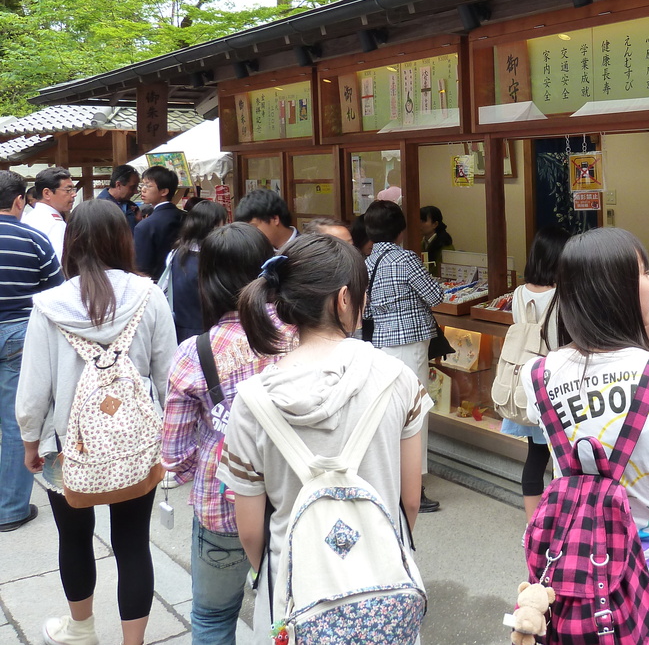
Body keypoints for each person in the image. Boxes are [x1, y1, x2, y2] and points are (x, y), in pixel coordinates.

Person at [215, 234, 431, 640]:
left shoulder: (252, 400)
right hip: (384, 590)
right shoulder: (399, 380)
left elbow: (249, 531)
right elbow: (411, 500)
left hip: (292, 601)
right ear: (345, 299)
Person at [519, 227, 649, 645]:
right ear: (616, 291)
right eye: (644, 273)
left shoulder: (537, 377)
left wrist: (646, 333)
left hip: (578, 592)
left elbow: (603, 371)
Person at [15, 199, 175, 645]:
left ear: (73, 244)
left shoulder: (48, 306)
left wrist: (30, 440)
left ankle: (81, 631)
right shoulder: (150, 295)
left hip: (67, 445)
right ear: (123, 240)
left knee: (74, 538)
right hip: (137, 444)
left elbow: (34, 388)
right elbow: (167, 374)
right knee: (132, 544)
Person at [161, 222, 283, 645]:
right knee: (297, 613)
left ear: (206, 278)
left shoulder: (195, 353)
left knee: (213, 617)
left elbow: (174, 454)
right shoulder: (300, 335)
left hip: (221, 504)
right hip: (297, 497)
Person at [363, 199, 443, 513]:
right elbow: (434, 295)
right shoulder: (406, 259)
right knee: (415, 413)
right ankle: (413, 486)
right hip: (410, 344)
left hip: (381, 343)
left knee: (389, 413)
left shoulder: (367, 262)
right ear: (400, 230)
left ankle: (388, 479)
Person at [0, 170, 63, 534]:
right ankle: (9, 508)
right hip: (18, 335)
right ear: (18, 201)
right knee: (15, 421)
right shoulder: (34, 238)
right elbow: (56, 294)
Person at [500, 224, 570, 520]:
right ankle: (559, 521)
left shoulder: (518, 293)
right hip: (556, 382)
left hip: (526, 383)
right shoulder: (563, 296)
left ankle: (533, 523)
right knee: (561, 458)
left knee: (535, 456)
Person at [167, 200, 229, 342]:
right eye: (223, 223)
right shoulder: (212, 259)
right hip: (206, 332)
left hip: (180, 329)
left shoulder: (176, 253)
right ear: (212, 225)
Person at [134, 165, 184, 280]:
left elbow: (142, 268)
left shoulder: (145, 226)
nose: (143, 189)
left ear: (164, 191)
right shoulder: (185, 217)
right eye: (142, 185)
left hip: (157, 285)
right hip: (183, 283)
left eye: (148, 185)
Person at [24, 166, 76, 261]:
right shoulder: (55, 224)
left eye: (73, 189)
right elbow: (60, 263)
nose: (74, 194)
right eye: (68, 190)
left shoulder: (28, 218)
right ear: (47, 193)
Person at [98, 164, 141, 232]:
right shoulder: (99, 208)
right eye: (132, 187)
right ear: (118, 185)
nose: (136, 192)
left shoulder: (132, 207)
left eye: (137, 187)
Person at [418, 205, 454, 270]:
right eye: (418, 220)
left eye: (423, 221)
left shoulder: (445, 246)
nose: (418, 224)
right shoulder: (422, 243)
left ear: (435, 224)